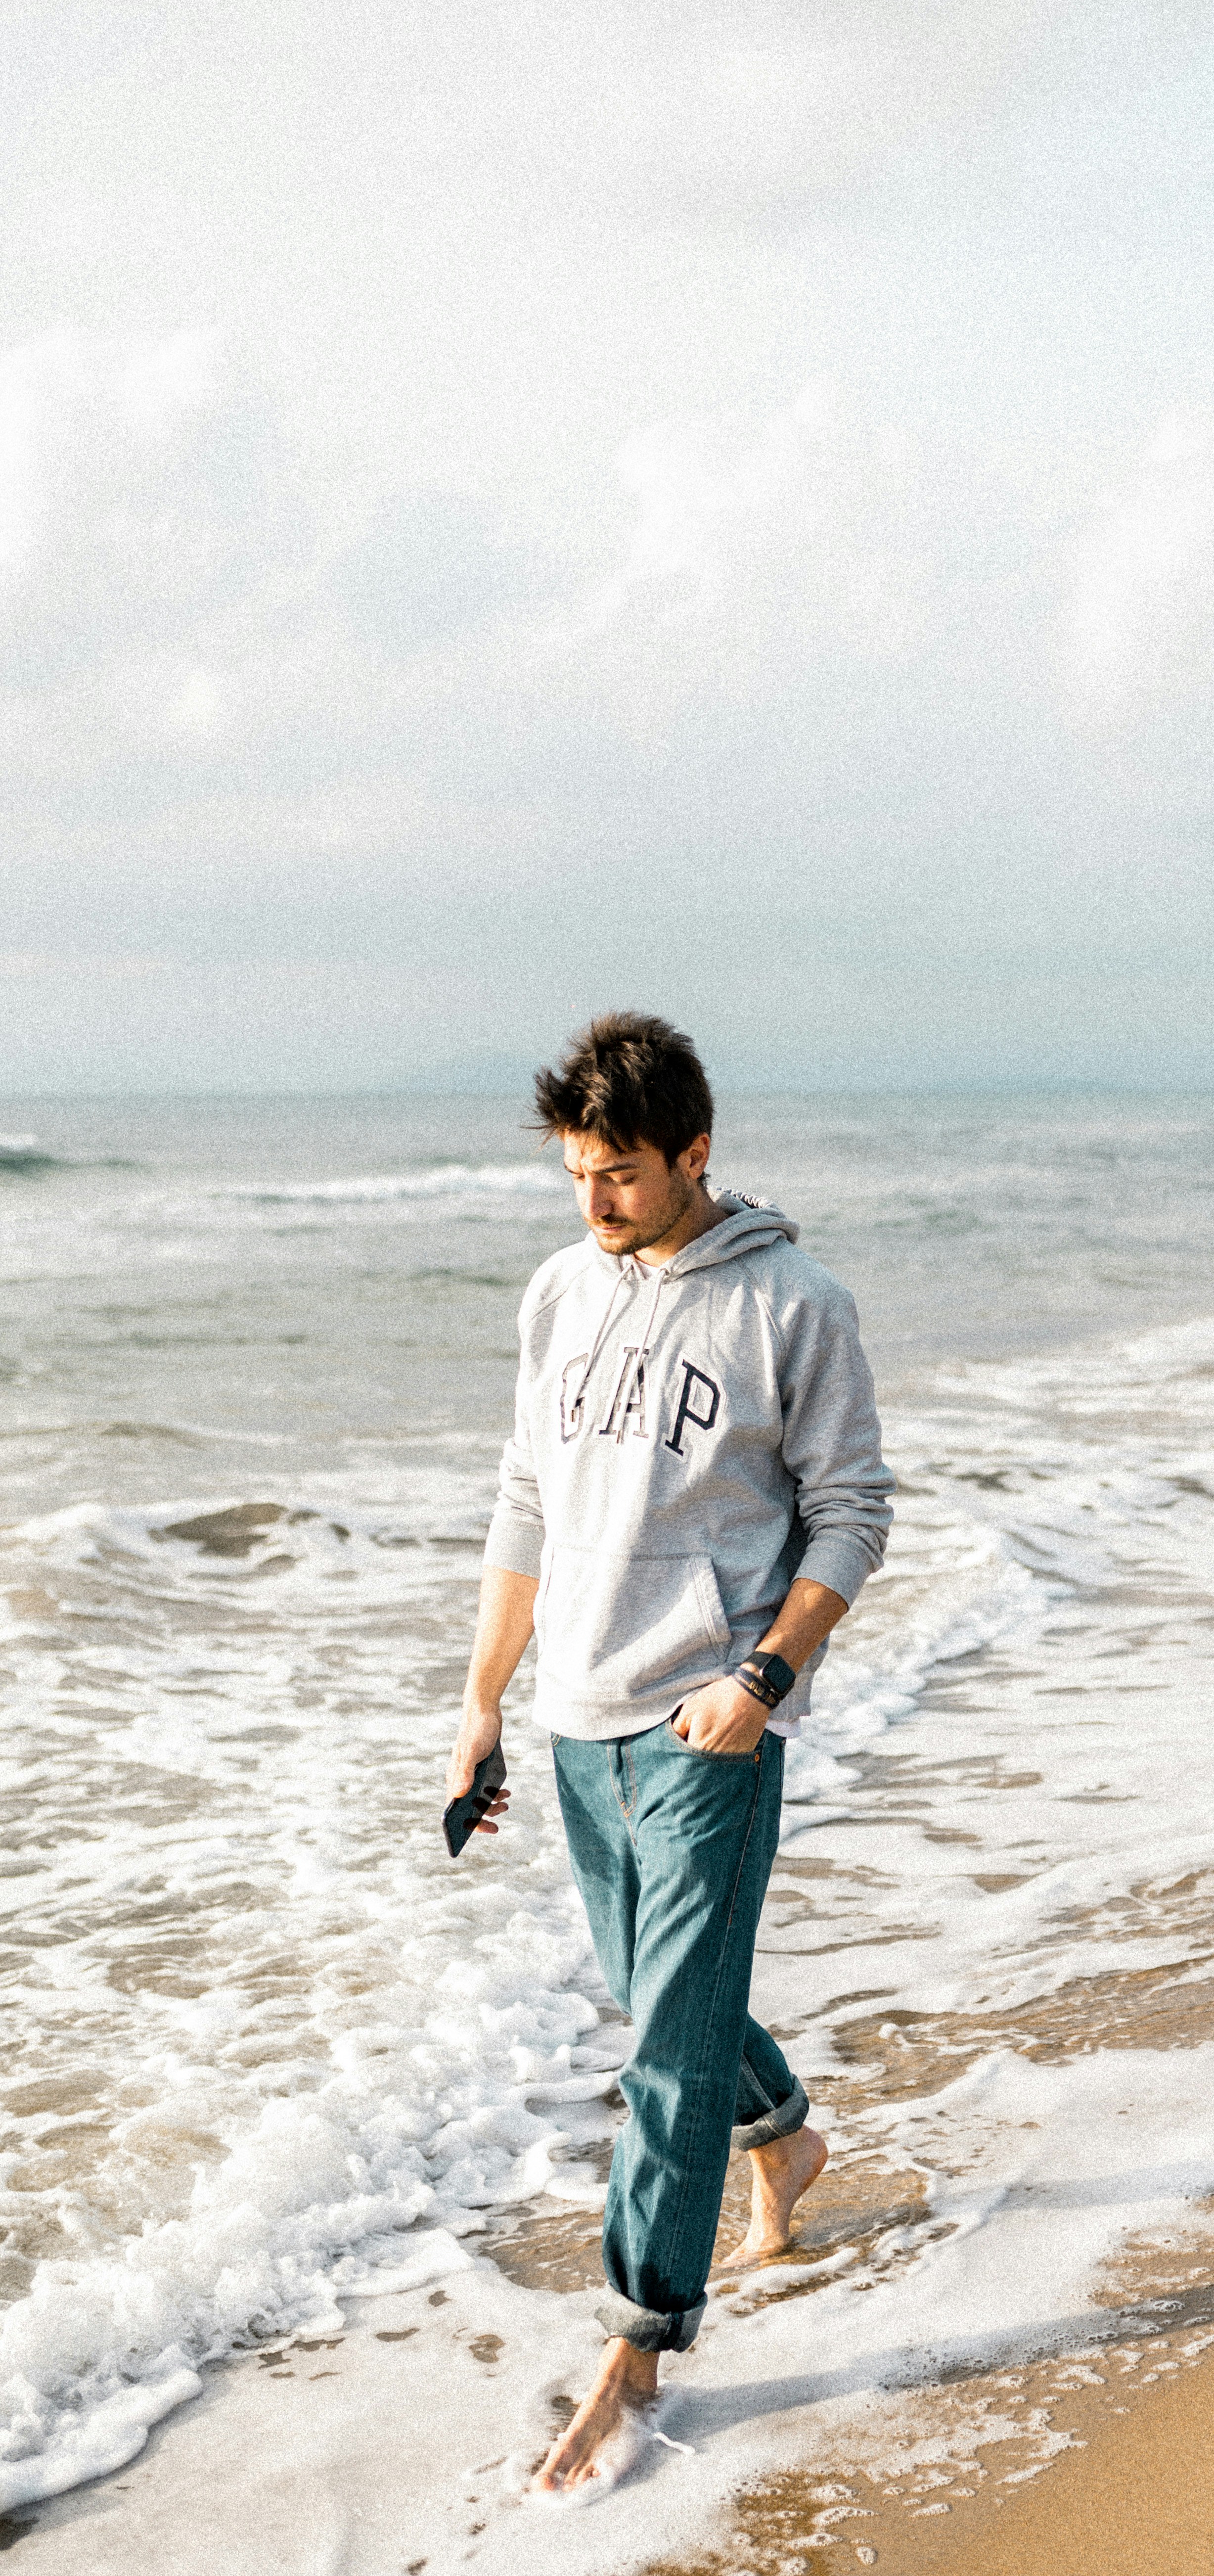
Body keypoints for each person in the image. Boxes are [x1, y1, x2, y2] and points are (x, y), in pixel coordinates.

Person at [447, 1011, 893, 2493]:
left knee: (658, 2050)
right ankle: (783, 2142)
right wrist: (481, 1707)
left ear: (697, 1156)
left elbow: (853, 1512)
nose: (594, 1203)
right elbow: (526, 1504)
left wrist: (764, 1677)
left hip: (708, 1717)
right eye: (576, 1172)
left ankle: (636, 2343)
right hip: (576, 1712)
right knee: (668, 2003)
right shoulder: (558, 1293)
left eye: (622, 1174)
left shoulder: (793, 1306)